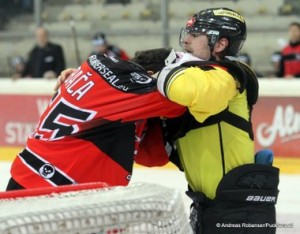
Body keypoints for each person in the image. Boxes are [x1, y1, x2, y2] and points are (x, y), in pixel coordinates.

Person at [155, 8, 279, 234]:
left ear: (220, 44)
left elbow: (186, 88)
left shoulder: (228, 76)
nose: (187, 39)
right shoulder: (200, 71)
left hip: (237, 210)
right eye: (188, 31)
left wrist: (167, 68)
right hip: (216, 206)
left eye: (197, 33)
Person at [6, 48, 186, 190]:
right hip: (59, 185)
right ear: (148, 74)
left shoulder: (95, 70)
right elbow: (185, 100)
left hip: (27, 172)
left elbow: (150, 156)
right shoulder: (133, 89)